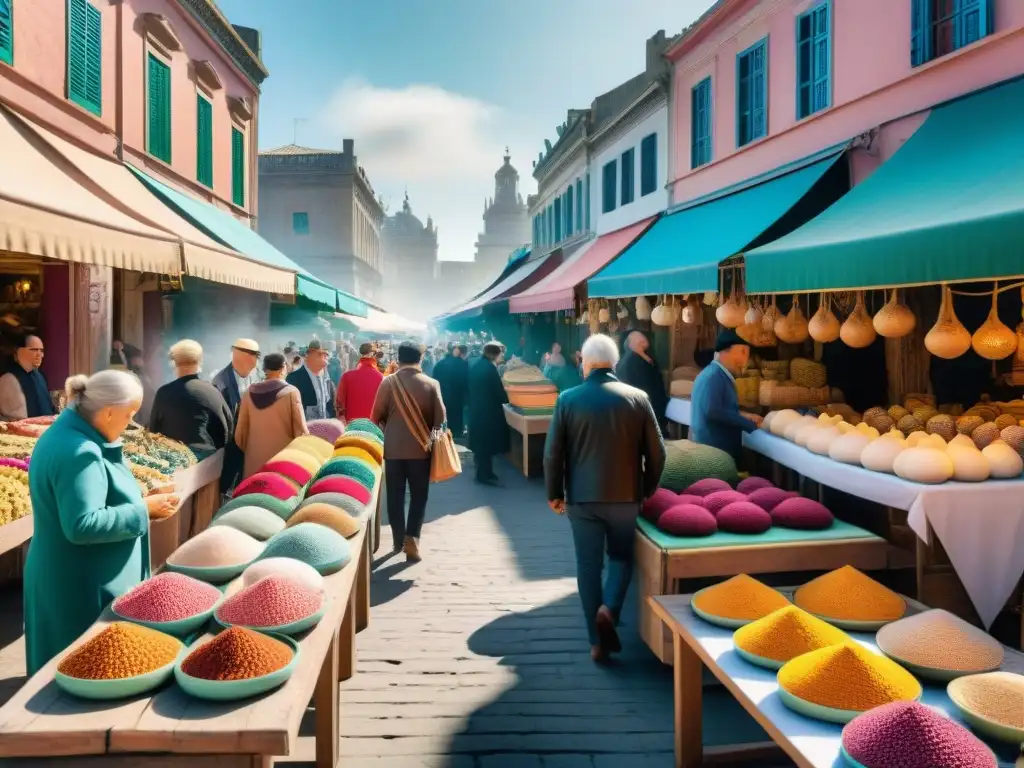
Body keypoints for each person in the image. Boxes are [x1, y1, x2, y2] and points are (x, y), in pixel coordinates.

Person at [24, 371, 179, 674]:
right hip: (80, 587)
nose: (130, 424)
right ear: (108, 412)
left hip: (74, 576)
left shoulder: (72, 435)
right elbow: (83, 523)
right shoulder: (79, 451)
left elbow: (96, 493)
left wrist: (141, 496)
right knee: (73, 682)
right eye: (129, 415)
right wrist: (143, 510)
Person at [543, 334, 666, 664]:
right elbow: (658, 454)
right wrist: (647, 488)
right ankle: (609, 609)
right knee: (621, 559)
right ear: (613, 363)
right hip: (626, 497)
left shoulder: (568, 399)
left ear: (584, 362)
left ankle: (595, 641)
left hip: (581, 499)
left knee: (587, 565)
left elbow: (552, 454)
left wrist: (554, 493)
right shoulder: (637, 397)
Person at [371, 342, 446, 561]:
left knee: (394, 496)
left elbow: (375, 416)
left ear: (399, 358)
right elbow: (440, 420)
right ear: (420, 358)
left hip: (392, 450)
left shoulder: (388, 383)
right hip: (421, 451)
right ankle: (412, 539)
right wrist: (429, 442)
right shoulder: (432, 384)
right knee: (419, 496)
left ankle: (397, 539)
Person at [149, 340, 233, 457]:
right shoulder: (212, 391)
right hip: (208, 463)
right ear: (200, 362)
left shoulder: (164, 392)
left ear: (174, 363)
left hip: (173, 462)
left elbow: (153, 431)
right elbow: (227, 428)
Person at [689, 329, 763, 463]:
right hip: (714, 453)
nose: (745, 360)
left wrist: (744, 415)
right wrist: (748, 424)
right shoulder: (714, 376)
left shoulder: (715, 374)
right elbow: (713, 411)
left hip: (714, 451)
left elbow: (720, 407)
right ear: (726, 351)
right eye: (743, 352)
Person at [234, 352, 308, 479]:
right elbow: (301, 432)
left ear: (265, 369)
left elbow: (240, 435)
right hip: (281, 466)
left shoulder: (248, 393)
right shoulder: (291, 393)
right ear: (283, 367)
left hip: (253, 467)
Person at [468, 341, 510, 485]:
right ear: (494, 355)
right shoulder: (490, 369)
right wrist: (506, 398)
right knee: (486, 445)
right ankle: (483, 475)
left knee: (481, 445)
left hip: (477, 410)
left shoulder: (476, 365)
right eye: (500, 354)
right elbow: (498, 392)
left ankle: (486, 472)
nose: (501, 357)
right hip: (488, 412)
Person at [617, 330, 669, 432]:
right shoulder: (634, 361)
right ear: (631, 344)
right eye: (638, 339)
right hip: (645, 419)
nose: (642, 339)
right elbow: (644, 390)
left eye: (642, 337)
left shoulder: (633, 359)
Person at [0, 333, 55, 421]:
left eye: (41, 351)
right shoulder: (8, 379)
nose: (40, 355)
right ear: (19, 351)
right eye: (34, 350)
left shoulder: (40, 377)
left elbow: (49, 410)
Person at [287, 339, 335, 421]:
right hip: (306, 429)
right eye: (323, 354)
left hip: (325, 428)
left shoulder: (327, 378)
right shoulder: (294, 378)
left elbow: (330, 404)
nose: (327, 358)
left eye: (327, 355)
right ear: (311, 355)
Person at [211, 338, 261, 416]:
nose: (254, 361)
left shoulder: (258, 375)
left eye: (256, 356)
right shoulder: (220, 382)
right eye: (252, 355)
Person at [336, 342, 383, 424]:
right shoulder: (381, 378)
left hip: (351, 425)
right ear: (372, 354)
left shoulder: (347, 376)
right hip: (372, 427)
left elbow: (339, 401)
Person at [432, 344, 469, 437]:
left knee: (444, 415)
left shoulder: (440, 363)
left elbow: (434, 379)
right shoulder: (462, 364)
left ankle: (444, 434)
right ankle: (456, 434)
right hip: (458, 396)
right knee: (457, 416)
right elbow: (466, 381)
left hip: (443, 395)